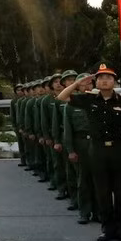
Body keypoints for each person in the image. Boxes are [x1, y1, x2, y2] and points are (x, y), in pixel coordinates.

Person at [59, 64, 121, 241]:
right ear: (96, 81)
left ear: (114, 82)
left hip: (119, 151)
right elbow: (62, 97)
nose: (104, 80)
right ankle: (108, 230)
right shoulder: (89, 99)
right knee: (102, 193)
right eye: (101, 77)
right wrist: (78, 82)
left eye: (109, 78)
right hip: (98, 151)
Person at [62, 73, 97, 224]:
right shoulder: (71, 105)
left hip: (97, 144)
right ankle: (85, 212)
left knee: (99, 180)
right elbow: (68, 130)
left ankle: (99, 212)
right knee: (83, 180)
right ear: (77, 86)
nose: (87, 86)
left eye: (90, 83)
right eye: (83, 84)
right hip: (80, 144)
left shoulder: (99, 101)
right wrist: (70, 150)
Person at [52, 71, 77, 204]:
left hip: (86, 139)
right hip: (66, 137)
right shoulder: (60, 101)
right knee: (70, 170)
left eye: (74, 79)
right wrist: (56, 140)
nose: (72, 82)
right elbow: (55, 123)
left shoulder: (86, 97)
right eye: (68, 80)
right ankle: (73, 198)